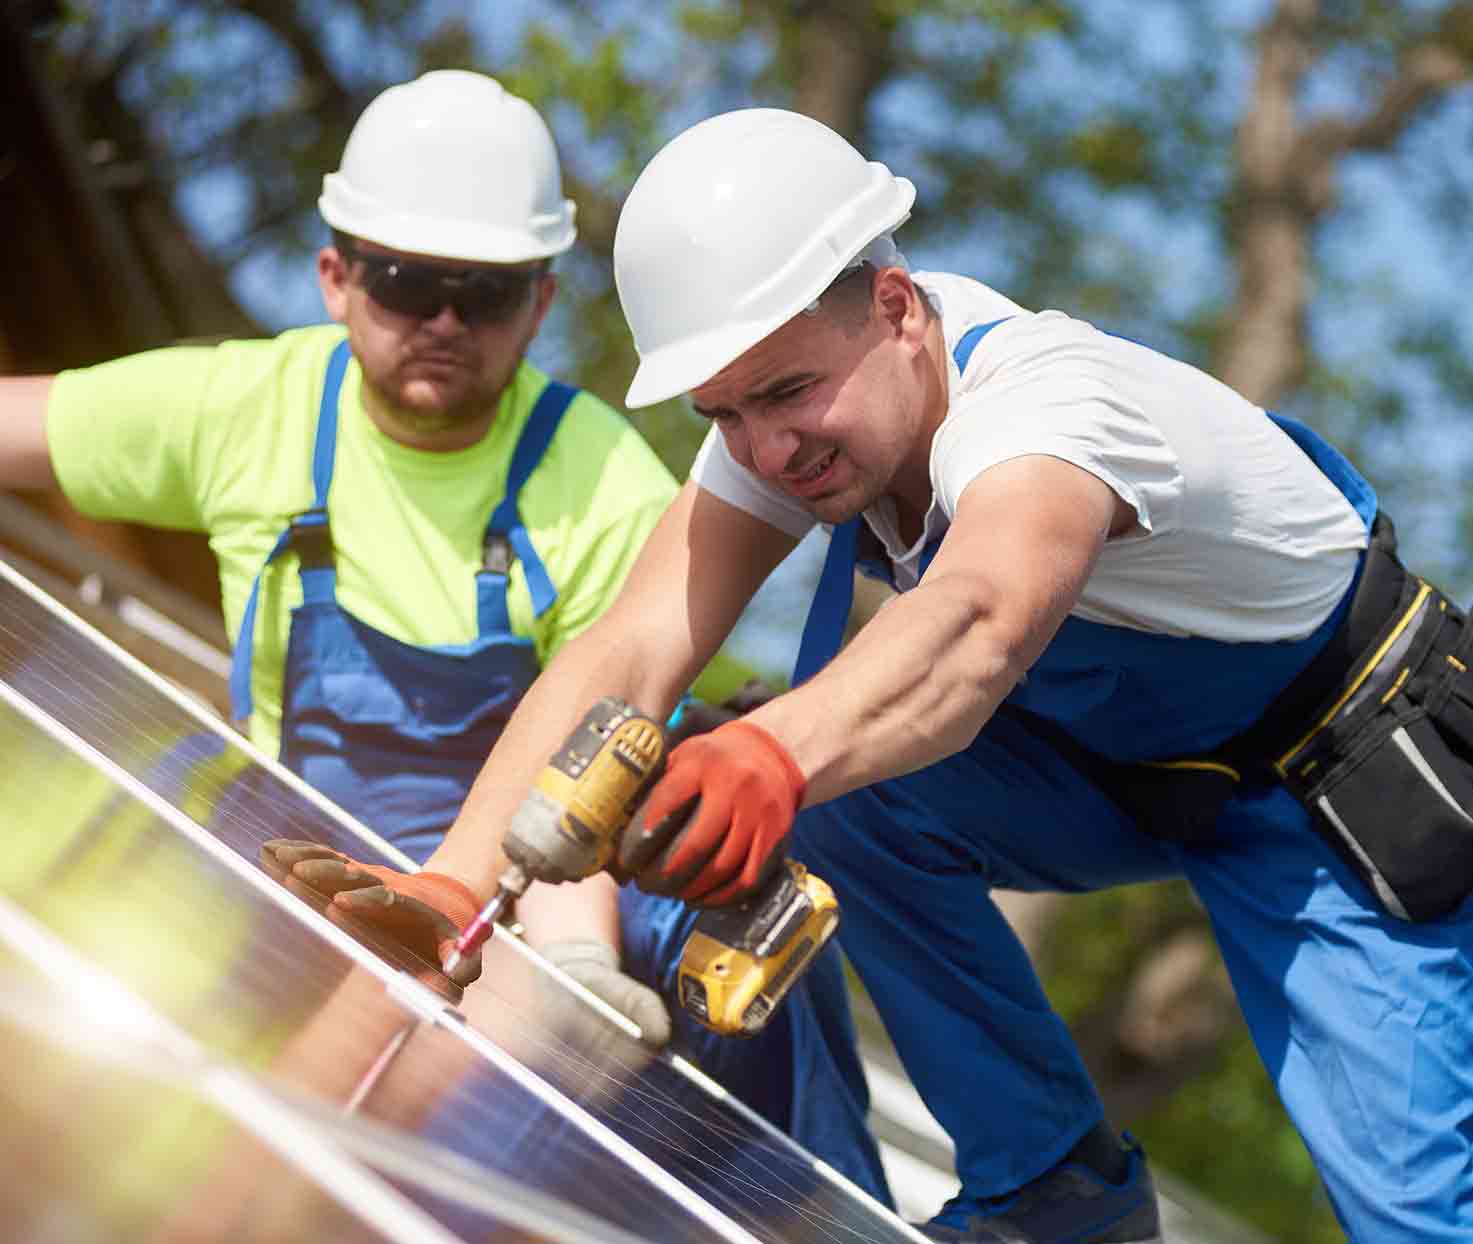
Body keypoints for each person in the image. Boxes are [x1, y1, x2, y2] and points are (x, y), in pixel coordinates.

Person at [299, 107, 1473, 1244]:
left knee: (1422, 1211)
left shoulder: (1051, 407)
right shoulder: (788, 413)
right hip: (1121, 773)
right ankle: (1052, 1194)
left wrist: (770, 754)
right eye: (724, 414)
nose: (765, 444)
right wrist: (458, 884)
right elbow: (631, 647)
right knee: (826, 782)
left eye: (788, 393)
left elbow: (978, 626)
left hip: (1331, 799)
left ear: (898, 306)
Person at [0, 78, 888, 1203]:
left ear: (541, 302)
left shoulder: (595, 471)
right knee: (132, 820)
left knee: (727, 933)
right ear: (337, 277)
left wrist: (561, 976)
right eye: (408, 281)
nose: (444, 321)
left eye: (487, 292)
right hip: (293, 868)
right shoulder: (246, 409)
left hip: (522, 900)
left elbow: (605, 754)